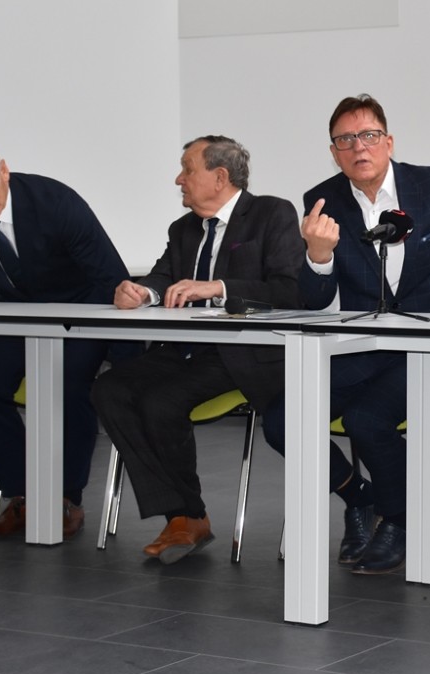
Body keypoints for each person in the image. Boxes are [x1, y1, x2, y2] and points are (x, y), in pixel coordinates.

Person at [261, 94, 430, 574]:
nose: (359, 147)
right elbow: (315, 300)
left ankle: (400, 519)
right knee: (283, 421)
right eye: (345, 140)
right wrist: (317, 256)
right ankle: (360, 496)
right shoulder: (322, 201)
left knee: (366, 420)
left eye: (369, 135)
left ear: (389, 142)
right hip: (361, 351)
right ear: (334, 152)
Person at [90, 136, 303, 564]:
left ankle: (184, 516)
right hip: (184, 348)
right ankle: (185, 514)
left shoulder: (271, 213)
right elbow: (163, 276)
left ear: (220, 177)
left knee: (160, 402)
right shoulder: (183, 228)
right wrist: (141, 292)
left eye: (187, 169)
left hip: (239, 352)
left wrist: (218, 288)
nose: (179, 179)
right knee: (108, 389)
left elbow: (288, 290)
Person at [0, 135, 131, 539]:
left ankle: (66, 498)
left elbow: (109, 275)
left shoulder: (54, 201)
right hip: (18, 315)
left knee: (68, 384)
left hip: (82, 310)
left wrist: (123, 349)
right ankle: (25, 494)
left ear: (3, 170)